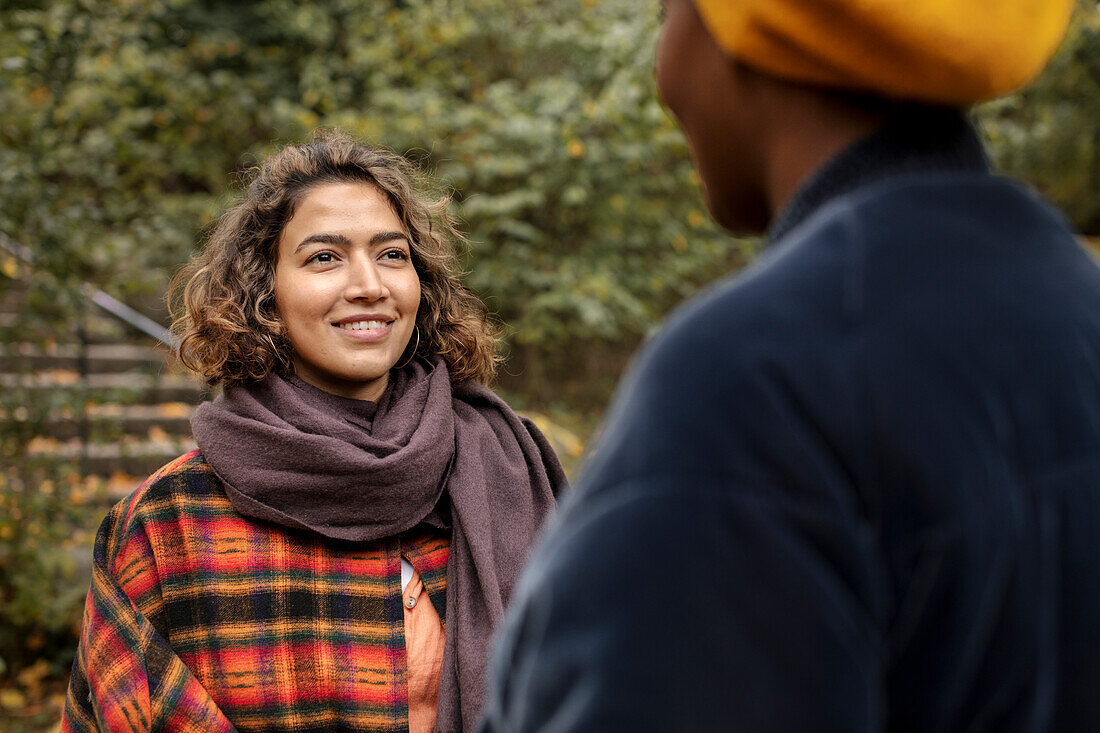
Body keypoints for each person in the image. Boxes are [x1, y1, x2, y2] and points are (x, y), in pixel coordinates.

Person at [480, 1, 1100, 731]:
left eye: (667, 13)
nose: (661, 75)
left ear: (744, 33)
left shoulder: (752, 385)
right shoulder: (1072, 305)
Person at [62, 131, 565, 732]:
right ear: (264, 294)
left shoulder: (502, 472)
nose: (369, 285)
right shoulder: (165, 527)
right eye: (325, 257)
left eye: (392, 255)